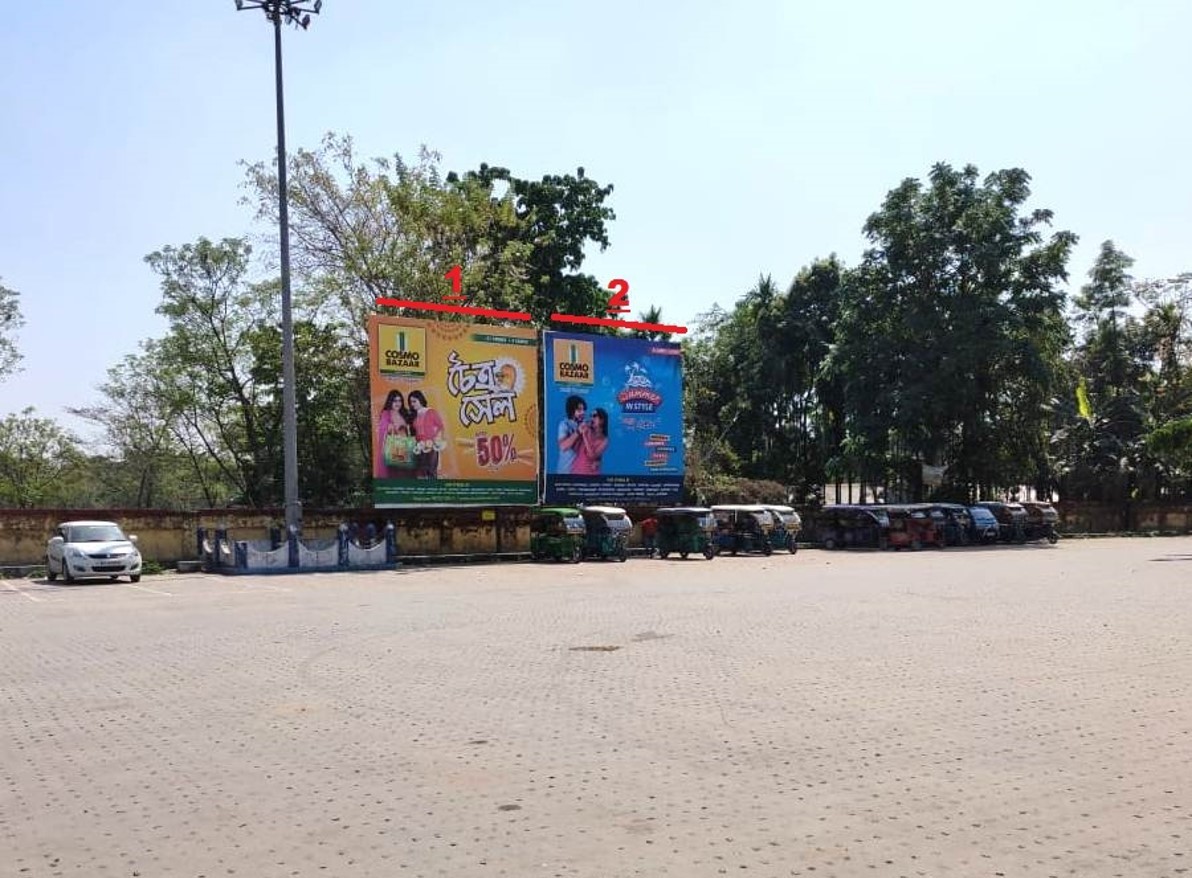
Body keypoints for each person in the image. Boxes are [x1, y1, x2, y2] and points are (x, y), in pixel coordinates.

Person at [408, 390, 446, 479]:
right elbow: (414, 433)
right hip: (419, 446)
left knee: (431, 471)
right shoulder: (414, 415)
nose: (412, 404)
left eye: (414, 401)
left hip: (431, 445)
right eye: (410, 402)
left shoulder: (430, 411)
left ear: (420, 400)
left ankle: (434, 491)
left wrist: (435, 440)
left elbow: (440, 426)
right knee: (422, 471)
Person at [375, 390, 413, 478]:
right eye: (395, 401)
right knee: (394, 475)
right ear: (390, 401)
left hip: (406, 448)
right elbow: (383, 428)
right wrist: (390, 427)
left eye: (400, 401)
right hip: (393, 449)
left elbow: (410, 429)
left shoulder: (404, 413)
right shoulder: (386, 413)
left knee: (406, 476)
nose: (398, 403)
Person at [572, 407, 609, 475]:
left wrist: (584, 436)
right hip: (577, 470)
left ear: (602, 420)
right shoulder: (586, 428)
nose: (592, 418)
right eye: (591, 416)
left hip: (591, 473)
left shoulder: (605, 440)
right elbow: (574, 447)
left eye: (594, 416)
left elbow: (592, 456)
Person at [556, 394, 586, 473]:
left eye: (583, 410)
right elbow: (563, 446)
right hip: (565, 472)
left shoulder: (584, 425)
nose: (583, 412)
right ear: (572, 411)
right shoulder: (564, 424)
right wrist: (578, 432)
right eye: (579, 410)